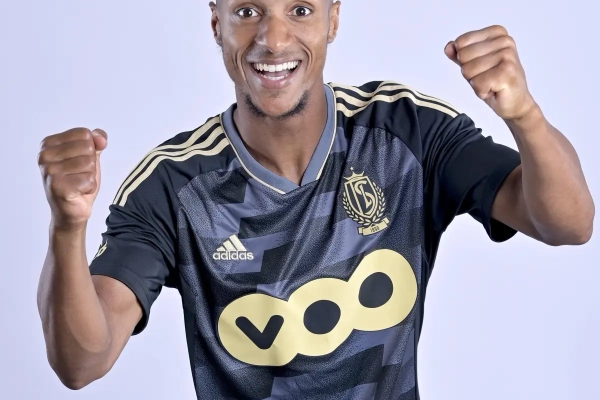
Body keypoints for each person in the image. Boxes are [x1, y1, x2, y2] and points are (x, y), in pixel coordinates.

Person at [36, 0, 594, 399]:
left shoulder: (405, 132)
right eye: (248, 11)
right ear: (217, 24)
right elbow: (82, 362)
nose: (273, 39)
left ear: (333, 18)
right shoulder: (174, 185)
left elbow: (569, 223)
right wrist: (67, 228)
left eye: (300, 9)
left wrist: (525, 116)